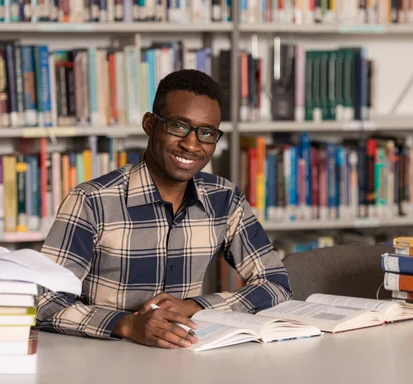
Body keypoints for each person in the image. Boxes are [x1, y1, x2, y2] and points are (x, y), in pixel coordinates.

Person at [36, 69, 292, 350]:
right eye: (178, 126)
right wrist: (126, 324)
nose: (191, 144)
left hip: (185, 355)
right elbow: (45, 301)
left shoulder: (225, 199)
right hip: (106, 357)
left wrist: (195, 307)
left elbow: (275, 283)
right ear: (149, 124)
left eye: (206, 133)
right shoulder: (92, 200)